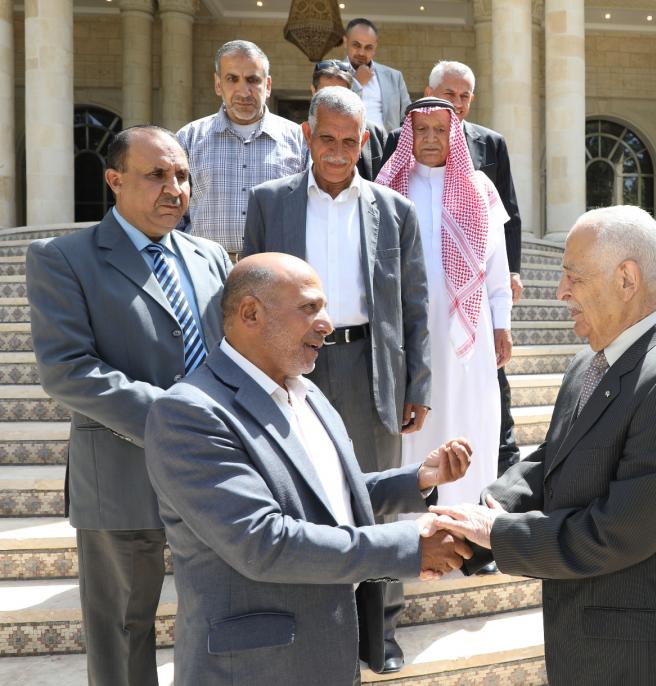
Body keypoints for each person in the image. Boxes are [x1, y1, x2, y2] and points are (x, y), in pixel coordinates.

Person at [144, 253, 473, 686]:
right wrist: (409, 545)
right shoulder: (191, 412)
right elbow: (263, 541)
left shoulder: (307, 393)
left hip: (329, 654)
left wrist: (417, 480)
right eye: (309, 308)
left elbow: (324, 498)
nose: (328, 324)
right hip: (257, 669)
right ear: (250, 313)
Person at [430, 206, 656, 686]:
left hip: (642, 659)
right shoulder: (587, 363)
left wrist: (498, 532)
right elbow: (553, 461)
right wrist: (476, 518)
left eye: (574, 276)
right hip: (581, 646)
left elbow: (614, 534)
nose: (561, 291)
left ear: (626, 279)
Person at [25, 125, 232, 686]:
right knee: (122, 627)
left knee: (222, 614)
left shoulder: (210, 256)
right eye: (157, 175)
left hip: (213, 472)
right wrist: (175, 419)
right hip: (121, 473)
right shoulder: (64, 258)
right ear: (114, 181)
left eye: (182, 175)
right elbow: (68, 370)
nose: (175, 189)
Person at [242, 87, 430, 672]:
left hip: (369, 368)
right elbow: (247, 297)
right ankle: (310, 624)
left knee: (379, 506)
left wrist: (417, 386)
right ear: (307, 135)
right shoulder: (269, 202)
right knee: (297, 497)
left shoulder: (394, 211)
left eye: (350, 141)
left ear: (364, 142)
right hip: (291, 366)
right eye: (326, 138)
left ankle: (382, 632)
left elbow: (415, 305)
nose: (337, 151)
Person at [376, 97, 513, 509]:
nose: (431, 138)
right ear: (409, 135)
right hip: (408, 332)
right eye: (422, 130)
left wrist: (502, 323)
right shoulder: (387, 187)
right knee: (416, 428)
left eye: (440, 130)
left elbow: (497, 266)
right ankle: (413, 522)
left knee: (471, 417)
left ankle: (469, 517)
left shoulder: (480, 187)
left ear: (454, 134)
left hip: (469, 332)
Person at [176, 40, 305, 257]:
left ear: (268, 85)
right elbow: (174, 209)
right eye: (232, 79)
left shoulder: (299, 140)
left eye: (253, 80)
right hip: (206, 267)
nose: (244, 91)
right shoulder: (188, 138)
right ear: (218, 84)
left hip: (276, 268)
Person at [306, 59, 387, 181]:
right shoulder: (296, 136)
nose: (333, 101)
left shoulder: (375, 134)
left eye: (349, 141)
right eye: (326, 94)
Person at [344, 18, 411, 132]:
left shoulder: (394, 77)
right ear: (345, 42)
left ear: (375, 47)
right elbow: (331, 111)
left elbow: (408, 118)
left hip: (388, 142)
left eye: (368, 47)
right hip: (349, 141)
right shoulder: (332, 73)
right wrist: (357, 84)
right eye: (356, 45)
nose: (361, 52)